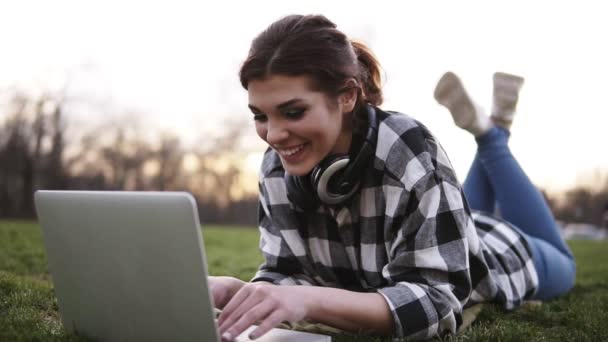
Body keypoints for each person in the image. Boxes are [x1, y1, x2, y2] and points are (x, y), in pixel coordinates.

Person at [208, 14, 576, 341]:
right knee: (463, 215)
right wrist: (237, 292)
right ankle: (490, 128)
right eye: (261, 116)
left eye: (293, 112)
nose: (273, 135)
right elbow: (287, 274)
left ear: (348, 96)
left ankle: (492, 136)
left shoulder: (404, 146)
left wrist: (308, 300)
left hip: (503, 253)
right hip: (447, 229)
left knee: (565, 262)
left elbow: (436, 302)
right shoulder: (278, 164)